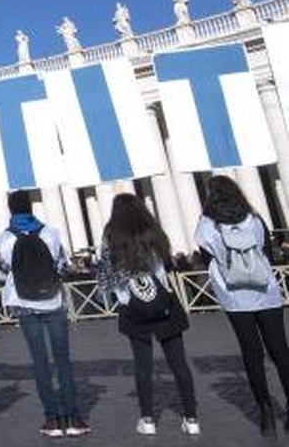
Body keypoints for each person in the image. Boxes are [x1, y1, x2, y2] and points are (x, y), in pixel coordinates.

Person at [195, 175, 289, 436]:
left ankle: (266, 411)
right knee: (281, 352)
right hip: (265, 290)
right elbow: (267, 253)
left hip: (235, 296)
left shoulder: (206, 224)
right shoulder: (254, 218)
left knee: (252, 354)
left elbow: (206, 258)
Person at [97, 194, 198, 436]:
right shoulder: (153, 230)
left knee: (143, 364)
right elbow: (168, 264)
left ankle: (148, 419)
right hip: (163, 301)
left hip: (132, 304)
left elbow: (105, 270)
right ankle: (192, 419)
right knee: (179, 363)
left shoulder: (111, 233)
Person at [0, 190, 89, 437]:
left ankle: (51, 419)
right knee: (63, 360)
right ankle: (74, 417)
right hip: (53, 301)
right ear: (31, 207)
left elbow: (3, 272)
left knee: (40, 362)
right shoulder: (50, 233)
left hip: (25, 304)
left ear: (10, 209)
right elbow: (62, 265)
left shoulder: (6, 238)